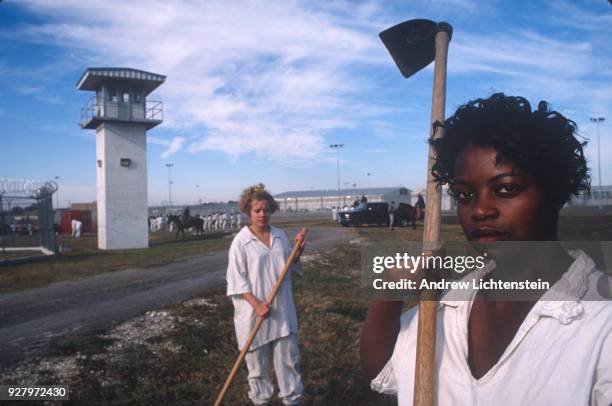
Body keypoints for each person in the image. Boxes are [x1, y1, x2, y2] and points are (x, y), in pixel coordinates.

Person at [361, 93, 612, 405]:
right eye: (465, 195)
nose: (480, 210)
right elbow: (383, 370)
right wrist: (389, 292)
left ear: (556, 192)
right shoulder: (449, 303)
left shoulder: (601, 319)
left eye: (506, 189)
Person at [226, 183, 306, 405]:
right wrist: (256, 304)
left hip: (281, 313)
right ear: (248, 212)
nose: (262, 214)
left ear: (271, 210)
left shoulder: (280, 236)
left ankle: (292, 401)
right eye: (257, 210)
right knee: (258, 371)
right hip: (255, 316)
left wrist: (297, 253)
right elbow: (236, 280)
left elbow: (288, 268)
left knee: (290, 363)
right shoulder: (241, 241)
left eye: (266, 210)